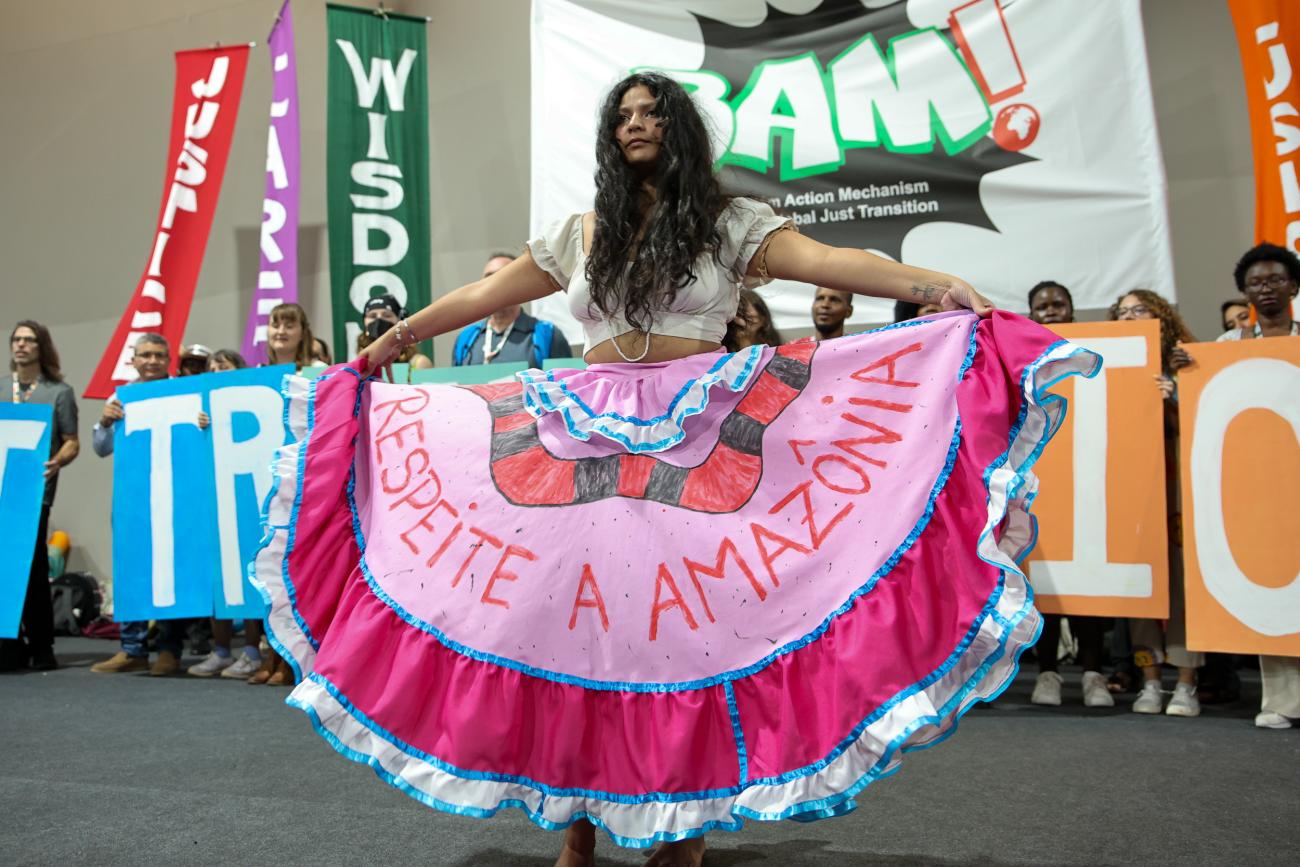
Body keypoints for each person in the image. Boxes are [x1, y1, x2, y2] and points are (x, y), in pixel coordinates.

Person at [256, 72, 1091, 867]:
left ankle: (683, 828)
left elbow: (835, 262)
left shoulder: (730, 223)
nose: (634, 124)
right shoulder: (583, 232)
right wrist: (396, 339)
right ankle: (578, 822)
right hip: (583, 435)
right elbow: (483, 298)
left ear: (678, 127)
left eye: (651, 112)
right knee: (574, 630)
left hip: (698, 431)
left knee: (681, 639)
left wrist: (930, 282)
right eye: (622, 115)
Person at [1109, 290, 1203, 716]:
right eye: (1122, 312)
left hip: (1181, 483)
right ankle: (1150, 679)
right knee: (1140, 582)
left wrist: (1177, 394)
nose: (1130, 317)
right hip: (1136, 485)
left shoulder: (1188, 360)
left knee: (1184, 583)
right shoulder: (1115, 365)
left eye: (1139, 310)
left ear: (1160, 315)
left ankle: (1186, 683)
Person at [1023, 282, 1112, 708]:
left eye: (1059, 304)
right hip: (1042, 479)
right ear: (1032, 314)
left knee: (1088, 586)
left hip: (1091, 479)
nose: (1052, 311)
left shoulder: (1104, 353)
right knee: (1049, 587)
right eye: (1042, 307)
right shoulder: (1026, 357)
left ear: (1073, 309)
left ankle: (1094, 673)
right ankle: (1048, 673)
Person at [89, 333, 191, 676]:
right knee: (131, 568)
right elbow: (101, 448)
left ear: (168, 360)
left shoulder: (184, 392)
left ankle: (169, 649)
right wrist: (104, 422)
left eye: (158, 355)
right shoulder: (120, 397)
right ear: (133, 360)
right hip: (134, 499)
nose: (151, 361)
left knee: (170, 569)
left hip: (176, 496)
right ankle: (131, 649)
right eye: (144, 355)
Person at [0, 321, 78, 672]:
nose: (21, 345)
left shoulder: (58, 392)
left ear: (40, 347)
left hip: (35, 493)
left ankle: (42, 643)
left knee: (32, 569)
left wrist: (57, 461)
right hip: (2, 488)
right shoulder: (2, 388)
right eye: (16, 339)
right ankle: (8, 642)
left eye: (29, 340)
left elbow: (71, 441)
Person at [187, 349, 265, 681]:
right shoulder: (198, 407)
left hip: (245, 500)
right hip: (211, 500)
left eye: (225, 365)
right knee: (217, 578)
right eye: (212, 367)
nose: (217, 370)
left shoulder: (251, 401)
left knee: (243, 575)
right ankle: (220, 651)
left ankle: (250, 650)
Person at [451, 254, 574, 366]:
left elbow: (563, 387)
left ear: (520, 284)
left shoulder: (547, 335)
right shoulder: (466, 339)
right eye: (488, 278)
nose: (493, 284)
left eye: (502, 276)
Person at [1217, 242, 1300, 340]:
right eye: (1255, 283)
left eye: (1275, 280)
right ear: (1245, 293)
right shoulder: (1229, 341)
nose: (1266, 289)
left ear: (1293, 287)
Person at [356, 295, 431, 370]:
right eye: (372, 316)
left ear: (400, 320)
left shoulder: (419, 363)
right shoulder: (359, 364)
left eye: (387, 315)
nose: (379, 319)